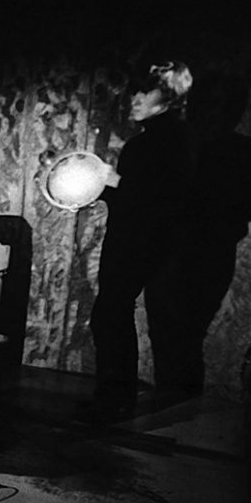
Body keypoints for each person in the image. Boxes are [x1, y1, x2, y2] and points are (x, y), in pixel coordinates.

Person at [88, 60, 196, 421]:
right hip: (152, 243)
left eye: (143, 91)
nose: (133, 98)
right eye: (133, 90)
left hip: (140, 243)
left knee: (112, 315)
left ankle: (115, 399)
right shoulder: (167, 139)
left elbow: (160, 200)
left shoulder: (160, 142)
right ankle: (123, 398)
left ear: (167, 97)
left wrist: (112, 181)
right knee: (118, 315)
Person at [179, 73, 251, 394]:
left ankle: (177, 409)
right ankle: (175, 409)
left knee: (186, 337)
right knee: (177, 337)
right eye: (203, 104)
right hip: (175, 250)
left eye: (218, 106)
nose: (209, 113)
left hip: (210, 251)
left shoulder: (245, 153)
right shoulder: (178, 145)